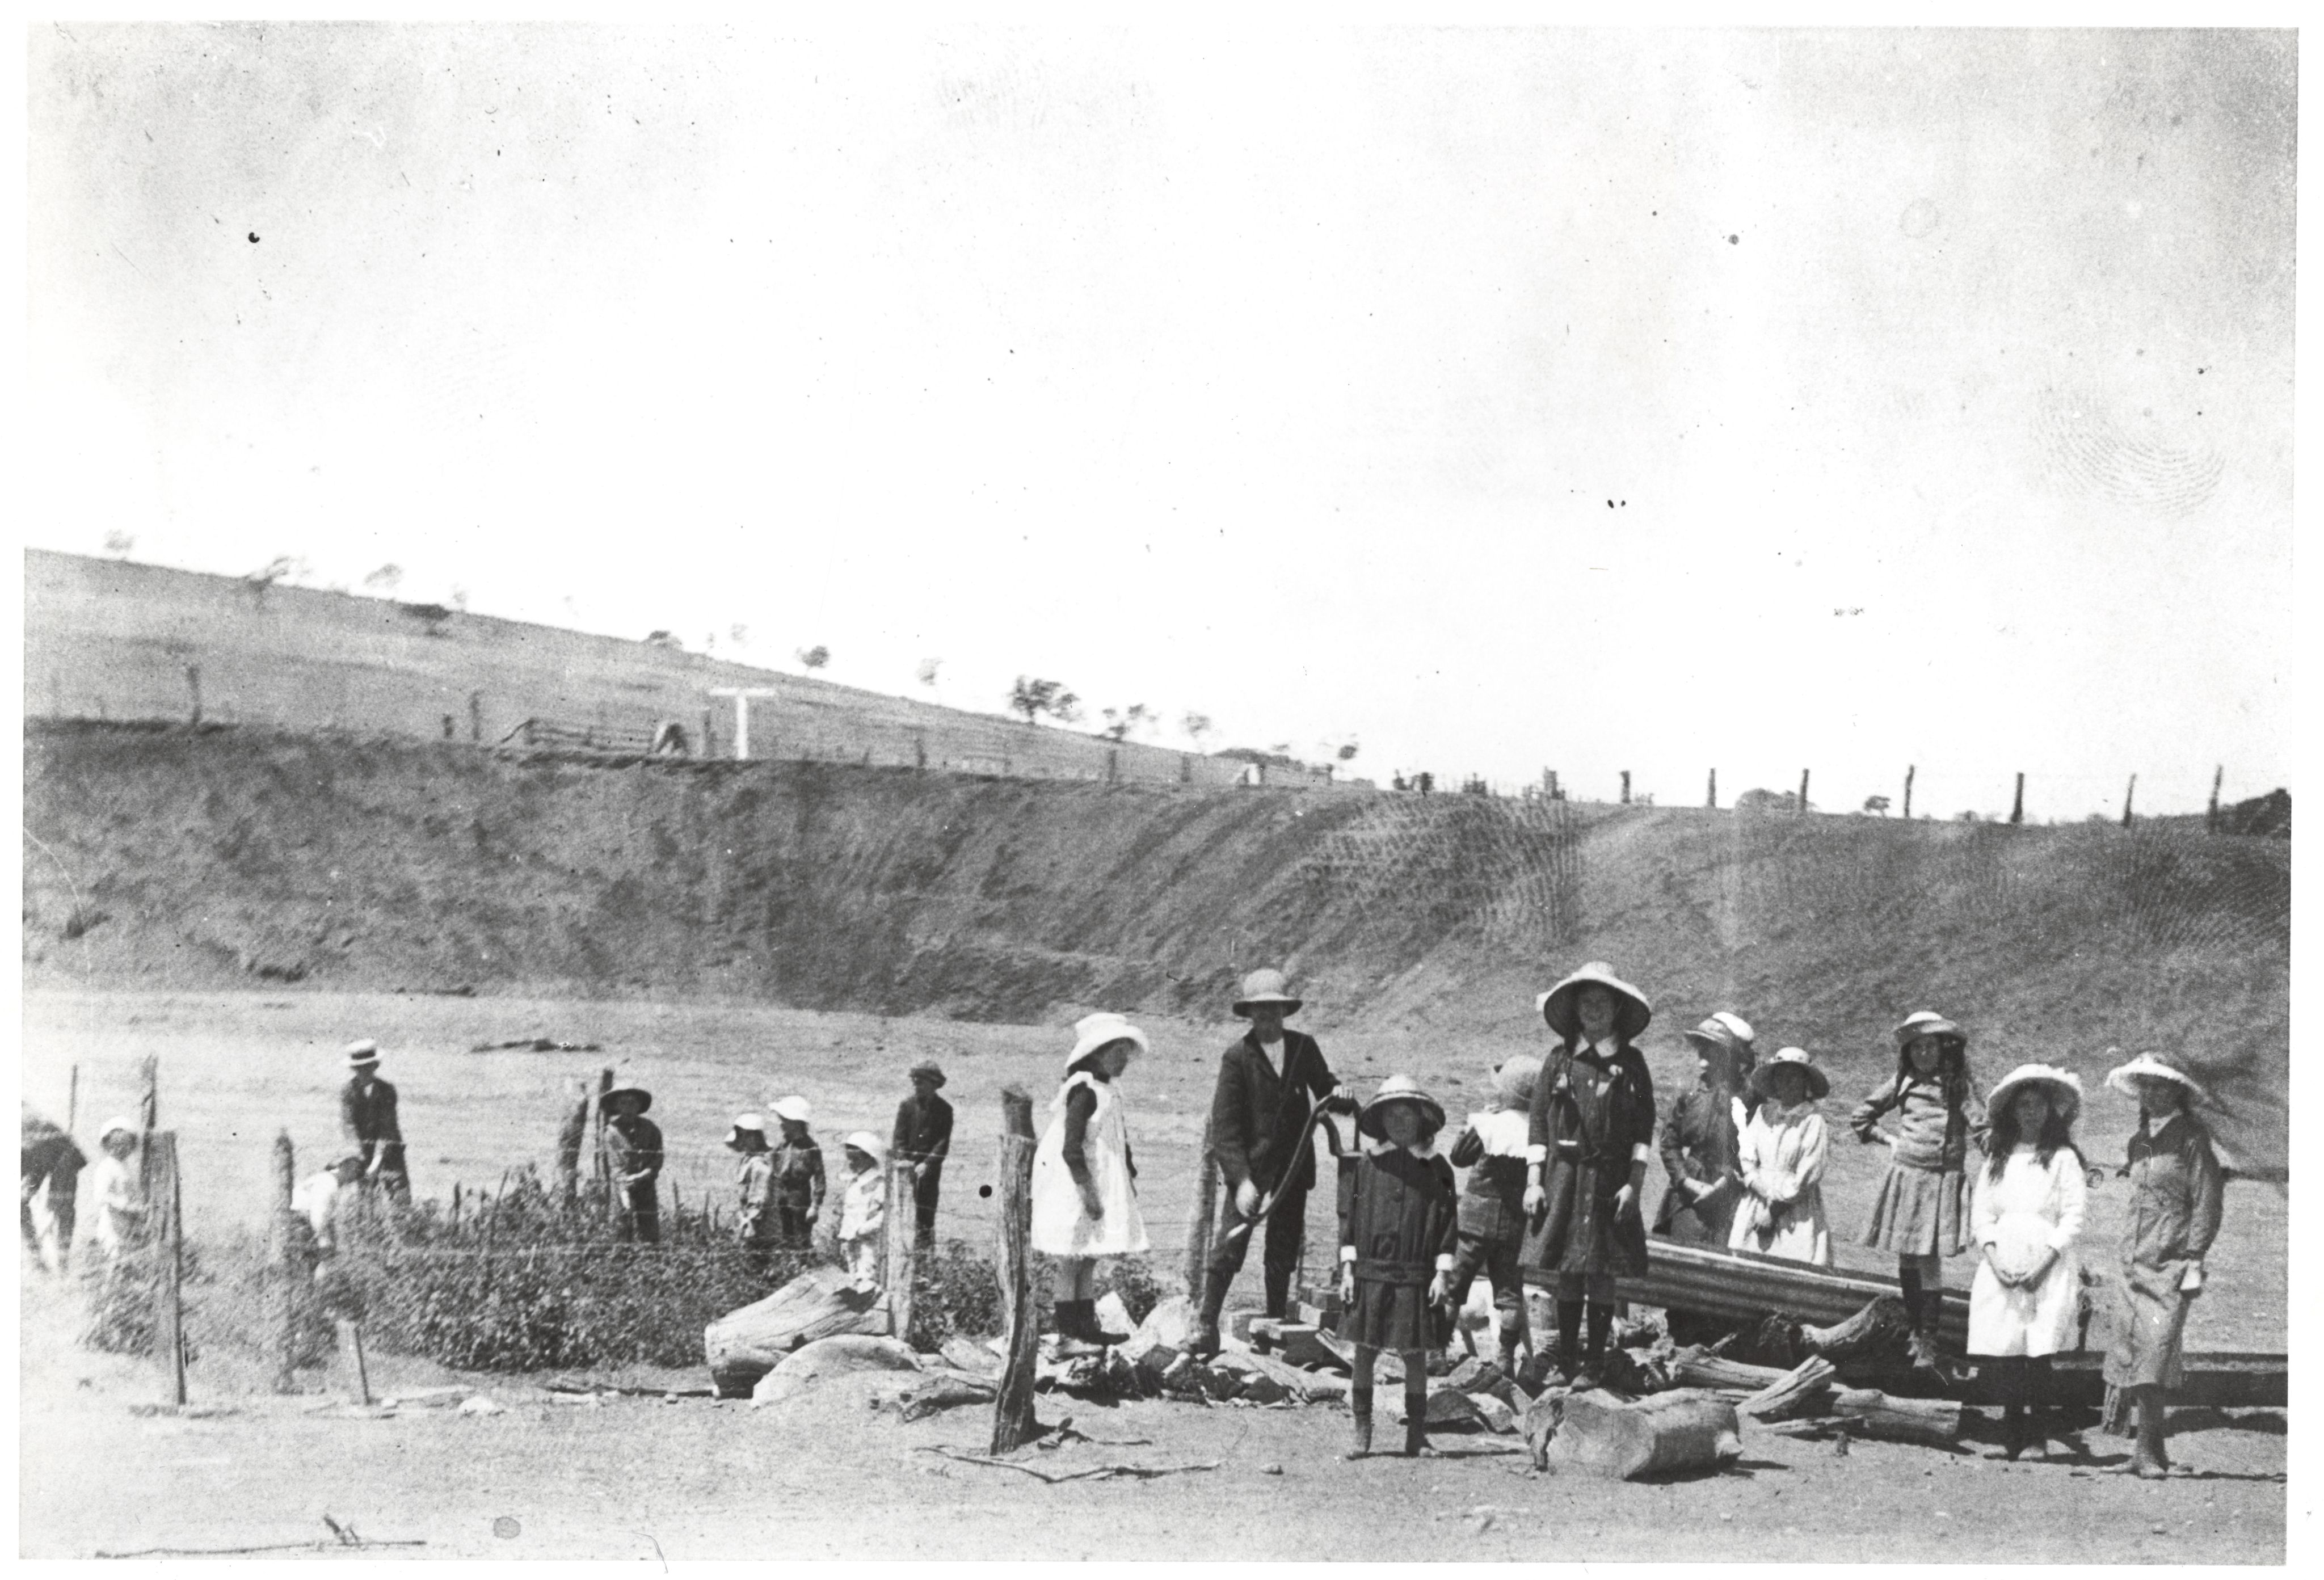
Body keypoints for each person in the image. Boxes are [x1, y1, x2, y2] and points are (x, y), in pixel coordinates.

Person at [1195, 968, 1353, 1356]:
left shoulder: (1303, 1047)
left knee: (1282, 1248)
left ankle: (1274, 1327)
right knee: (1230, 1244)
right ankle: (1205, 1324)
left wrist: (1342, 1093)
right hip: (1251, 1168)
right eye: (1260, 1012)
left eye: (1274, 1011)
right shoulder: (1237, 1058)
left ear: (1284, 1011)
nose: (1268, 1019)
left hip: (1294, 1166)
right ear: (1250, 1014)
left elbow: (1327, 1087)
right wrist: (1243, 1180)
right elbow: (1226, 1129)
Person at [1522, 962, 1657, 1389]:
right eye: (1586, 1002)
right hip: (1564, 1177)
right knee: (1567, 1268)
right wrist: (1533, 1180)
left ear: (1617, 1008)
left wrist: (1633, 1185)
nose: (1594, 1009)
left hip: (1609, 1180)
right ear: (1575, 1010)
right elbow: (1539, 1123)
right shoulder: (1559, 1060)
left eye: (1602, 1002)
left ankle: (1595, 1363)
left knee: (1600, 1268)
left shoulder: (1632, 1063)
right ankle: (1565, 1361)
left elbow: (1643, 1130)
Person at [2101, 1051, 2225, 1480]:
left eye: (2160, 1084)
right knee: (2133, 1353)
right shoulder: (2138, 1142)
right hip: (2132, 1264)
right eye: (2146, 1086)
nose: (2152, 1093)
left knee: (2155, 1353)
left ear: (2178, 1090)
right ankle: (2149, 1450)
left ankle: (2146, 1452)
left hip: (2171, 1263)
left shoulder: (2192, 1137)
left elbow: (2207, 1200)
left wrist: (2195, 1258)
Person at [1851, 1009, 1984, 1375]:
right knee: (1908, 1257)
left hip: (1941, 1180)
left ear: (1945, 1049)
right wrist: (1888, 1140)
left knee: (1928, 1259)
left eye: (1930, 1046)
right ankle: (1912, 1331)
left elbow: (1981, 1126)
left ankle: (1929, 1338)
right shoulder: (1902, 1081)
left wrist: (2002, 1155)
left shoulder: (1958, 1085)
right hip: (1907, 1177)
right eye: (1916, 1048)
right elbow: (1861, 1118)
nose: (1923, 1054)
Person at [1968, 1063, 2088, 1462]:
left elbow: (2073, 1215)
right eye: (2023, 1105)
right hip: (2004, 1260)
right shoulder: (1999, 1157)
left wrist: (2044, 1264)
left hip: (2046, 1263)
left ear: (2050, 1110)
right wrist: (1995, 1260)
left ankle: (2037, 1437)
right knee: (2008, 1352)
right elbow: (1982, 1213)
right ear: (2012, 1111)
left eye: (2037, 1105)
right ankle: (2010, 1435)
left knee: (2038, 1353)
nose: (2030, 1113)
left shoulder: (2063, 1158)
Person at [1338, 1076, 1459, 1459]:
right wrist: (1347, 1269)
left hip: (1415, 1274)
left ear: (1421, 1119)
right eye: (1391, 1116)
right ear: (1381, 1120)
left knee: (1414, 1353)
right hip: (1371, 1272)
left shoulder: (1438, 1168)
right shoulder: (1368, 1166)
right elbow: (1351, 1218)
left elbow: (1448, 1221)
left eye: (1406, 1115)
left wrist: (1442, 1272)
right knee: (1364, 1351)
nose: (1399, 1123)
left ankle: (1417, 1434)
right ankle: (1362, 1430)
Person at [1030, 1013, 1151, 1354]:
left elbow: (1118, 1142)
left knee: (1088, 1257)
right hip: (1079, 1186)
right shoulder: (1083, 1091)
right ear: (1097, 1052)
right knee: (1072, 1257)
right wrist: (1088, 1193)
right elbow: (1071, 1149)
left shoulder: (1109, 1090)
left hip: (1104, 1184)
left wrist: (1129, 1180)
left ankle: (1086, 1328)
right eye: (1118, 1051)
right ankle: (1069, 1334)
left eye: (1128, 1052)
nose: (1124, 1059)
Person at [1445, 1052, 1540, 1373]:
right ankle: (1505, 1359)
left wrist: (1472, 1126)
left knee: (1454, 1285)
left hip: (1474, 1220)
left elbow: (1458, 1157)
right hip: (1514, 1225)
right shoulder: (1539, 1134)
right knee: (1510, 1294)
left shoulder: (1489, 1124)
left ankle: (1437, 1351)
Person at [1653, 1013, 1757, 1248]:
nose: (1704, 1052)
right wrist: (1685, 1181)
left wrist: (1726, 1183)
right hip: (1689, 1194)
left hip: (1732, 1195)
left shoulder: (1750, 1097)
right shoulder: (1690, 1093)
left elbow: (1756, 1148)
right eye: (1702, 1045)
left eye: (1713, 1047)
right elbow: (1669, 1143)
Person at [1730, 1047, 1832, 1266]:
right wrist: (1757, 1184)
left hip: (1794, 1208)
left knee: (1790, 1264)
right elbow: (1747, 1154)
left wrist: (1773, 1210)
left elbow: (1808, 1175)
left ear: (1806, 1083)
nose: (1786, 1082)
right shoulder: (1763, 1113)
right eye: (1780, 1076)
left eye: (1794, 1077)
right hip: (1757, 1199)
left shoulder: (1813, 1121)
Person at [891, 1061, 954, 1250]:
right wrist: (905, 1162)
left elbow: (943, 1142)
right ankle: (902, 1251)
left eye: (921, 1083)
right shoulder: (906, 1106)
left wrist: (927, 1163)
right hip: (905, 1168)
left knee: (926, 1213)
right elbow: (899, 1137)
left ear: (934, 1084)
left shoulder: (945, 1110)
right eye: (915, 1082)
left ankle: (925, 1255)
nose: (916, 1086)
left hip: (929, 1171)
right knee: (903, 1212)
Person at [339, 1040, 411, 1202]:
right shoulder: (347, 1092)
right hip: (360, 1152)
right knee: (363, 1199)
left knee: (400, 1198)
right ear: (353, 1068)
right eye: (359, 1068)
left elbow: (387, 1127)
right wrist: (360, 1157)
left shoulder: (387, 1090)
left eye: (368, 1066)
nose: (363, 1072)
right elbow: (349, 1126)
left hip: (390, 1150)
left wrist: (377, 1161)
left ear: (376, 1065)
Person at [22, 1107, 87, 1274]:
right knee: (19, 1203)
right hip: (33, 1151)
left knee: (63, 1210)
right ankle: (37, 1258)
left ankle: (62, 1264)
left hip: (60, 1153)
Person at [602, 1086, 663, 1245]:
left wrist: (644, 1175)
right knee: (620, 1228)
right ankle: (621, 1261)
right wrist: (625, 1190)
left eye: (633, 1103)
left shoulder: (651, 1129)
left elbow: (657, 1157)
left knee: (649, 1231)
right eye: (623, 1103)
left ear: (639, 1106)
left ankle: (650, 1261)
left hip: (646, 1184)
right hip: (622, 1185)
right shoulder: (611, 1133)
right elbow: (615, 1167)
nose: (628, 1107)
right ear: (616, 1106)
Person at [84, 1118, 146, 1271]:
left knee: (126, 1258)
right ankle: (111, 1291)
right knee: (114, 1258)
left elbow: (132, 1191)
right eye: (115, 1145)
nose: (120, 1149)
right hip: (112, 1222)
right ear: (107, 1145)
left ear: (132, 1146)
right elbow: (101, 1195)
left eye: (125, 1145)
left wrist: (138, 1207)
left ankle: (122, 1289)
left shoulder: (126, 1167)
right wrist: (125, 1205)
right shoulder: (106, 1167)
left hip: (128, 1221)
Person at [767, 1096, 826, 1249]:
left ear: (796, 1123)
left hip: (800, 1200)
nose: (781, 1123)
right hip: (781, 1199)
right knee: (784, 1239)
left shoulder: (811, 1148)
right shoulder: (781, 1147)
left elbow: (820, 1179)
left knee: (801, 1240)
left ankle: (803, 1267)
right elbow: (773, 1173)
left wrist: (815, 1206)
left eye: (784, 1120)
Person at [836, 1132, 890, 1283]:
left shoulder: (879, 1185)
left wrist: (863, 1230)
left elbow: (886, 1215)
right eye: (849, 1159)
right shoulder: (854, 1183)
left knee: (866, 1279)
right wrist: (845, 1237)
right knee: (853, 1279)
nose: (851, 1163)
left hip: (868, 1244)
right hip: (851, 1242)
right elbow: (849, 1213)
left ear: (870, 1159)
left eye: (856, 1159)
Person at [291, 1152, 365, 1256]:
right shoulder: (330, 1184)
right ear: (344, 1169)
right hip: (300, 1220)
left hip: (298, 1217)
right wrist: (324, 1241)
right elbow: (318, 1213)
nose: (350, 1181)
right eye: (352, 1175)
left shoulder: (325, 1177)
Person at [726, 1113, 779, 1252]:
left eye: (745, 1135)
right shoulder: (747, 1162)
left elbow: (759, 1200)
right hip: (749, 1225)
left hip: (759, 1231)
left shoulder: (759, 1166)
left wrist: (748, 1222)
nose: (742, 1139)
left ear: (755, 1138)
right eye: (741, 1135)